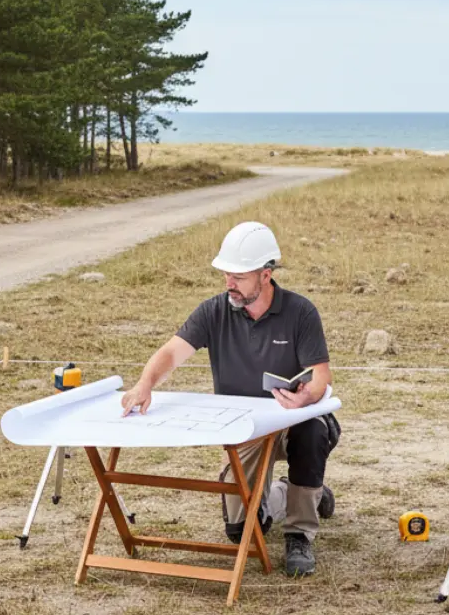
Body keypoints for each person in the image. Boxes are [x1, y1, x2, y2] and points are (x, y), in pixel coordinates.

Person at [120, 221, 341, 576]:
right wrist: (145, 383)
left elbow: (321, 378)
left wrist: (305, 399)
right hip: (245, 428)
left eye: (238, 276)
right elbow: (171, 353)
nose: (229, 283)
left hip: (292, 420)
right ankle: (296, 494)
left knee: (312, 432)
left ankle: (300, 532)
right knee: (242, 533)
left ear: (265, 275)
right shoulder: (213, 311)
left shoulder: (301, 312)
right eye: (226, 274)